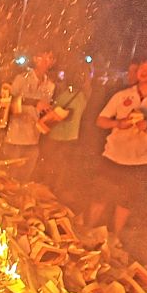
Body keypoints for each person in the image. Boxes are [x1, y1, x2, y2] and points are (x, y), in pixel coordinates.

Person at [87, 58, 147, 233]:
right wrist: (118, 124)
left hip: (139, 160)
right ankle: (87, 230)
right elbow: (100, 120)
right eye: (142, 67)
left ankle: (115, 236)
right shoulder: (122, 95)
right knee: (100, 197)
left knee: (125, 202)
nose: (143, 71)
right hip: (112, 155)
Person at [37, 59, 91, 193]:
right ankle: (55, 191)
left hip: (57, 136)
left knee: (52, 164)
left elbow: (54, 111)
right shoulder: (84, 95)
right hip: (71, 136)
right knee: (62, 167)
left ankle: (49, 190)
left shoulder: (65, 94)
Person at [4, 50, 56, 181]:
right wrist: (34, 103)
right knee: (9, 179)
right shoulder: (21, 79)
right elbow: (9, 103)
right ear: (36, 59)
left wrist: (50, 116)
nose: (49, 61)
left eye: (52, 58)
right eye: (46, 56)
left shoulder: (50, 85)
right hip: (15, 138)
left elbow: (43, 109)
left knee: (24, 179)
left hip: (33, 139)